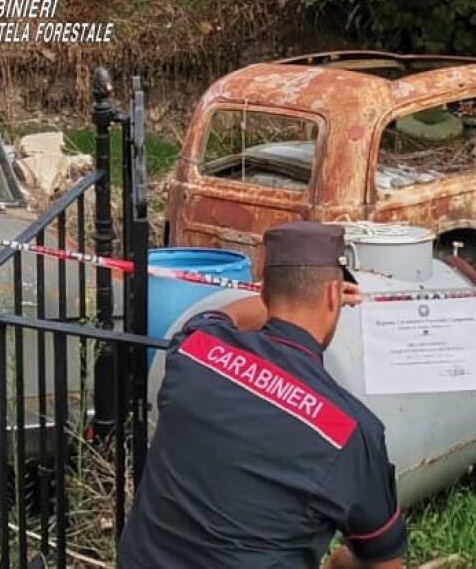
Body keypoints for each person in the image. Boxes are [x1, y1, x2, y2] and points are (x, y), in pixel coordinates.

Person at [118, 222, 407, 569]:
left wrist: (277, 292)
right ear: (334, 296)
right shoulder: (350, 431)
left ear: (264, 294)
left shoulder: (194, 351)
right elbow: (383, 560)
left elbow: (219, 316)